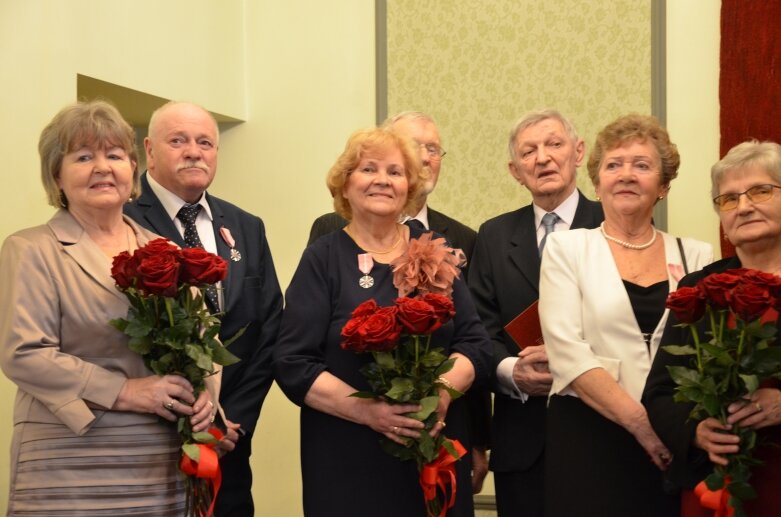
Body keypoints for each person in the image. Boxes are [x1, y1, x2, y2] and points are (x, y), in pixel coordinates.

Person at [0, 100, 232, 514]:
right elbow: (24, 353)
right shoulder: (31, 248)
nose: (103, 167)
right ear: (57, 175)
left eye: (115, 155)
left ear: (132, 168)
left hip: (158, 463)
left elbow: (204, 341)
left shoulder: (166, 250)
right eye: (84, 156)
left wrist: (204, 395)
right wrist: (124, 391)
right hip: (71, 458)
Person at [273, 126, 492, 516]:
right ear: (345, 183)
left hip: (434, 453)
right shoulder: (322, 259)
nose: (382, 181)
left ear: (409, 186)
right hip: (348, 460)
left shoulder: (436, 251)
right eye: (368, 169)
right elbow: (293, 363)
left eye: (395, 172)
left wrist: (440, 393)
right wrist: (368, 411)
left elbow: (475, 344)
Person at [538, 114, 713, 516]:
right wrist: (644, 425)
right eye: (613, 165)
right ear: (597, 184)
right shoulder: (566, 249)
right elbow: (568, 353)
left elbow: (701, 355)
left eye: (642, 165)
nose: (626, 175)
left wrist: (671, 429)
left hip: (674, 440)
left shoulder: (696, 256)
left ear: (664, 185)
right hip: (589, 435)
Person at [124, 101, 283, 516]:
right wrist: (189, 416)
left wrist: (231, 420)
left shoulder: (247, 226)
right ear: (149, 150)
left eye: (205, 142)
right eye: (178, 140)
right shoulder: (119, 220)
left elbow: (267, 331)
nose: (194, 151)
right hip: (147, 448)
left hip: (229, 449)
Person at [468, 109, 604, 516]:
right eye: (529, 152)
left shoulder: (611, 224)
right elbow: (477, 331)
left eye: (554, 144)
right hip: (522, 443)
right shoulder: (493, 235)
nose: (542, 158)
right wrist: (512, 371)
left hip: (602, 433)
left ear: (578, 152)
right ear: (515, 170)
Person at [643, 140, 781, 516]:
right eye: (729, 199)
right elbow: (658, 393)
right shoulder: (699, 287)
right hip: (713, 487)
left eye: (760, 191)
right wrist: (695, 432)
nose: (745, 206)